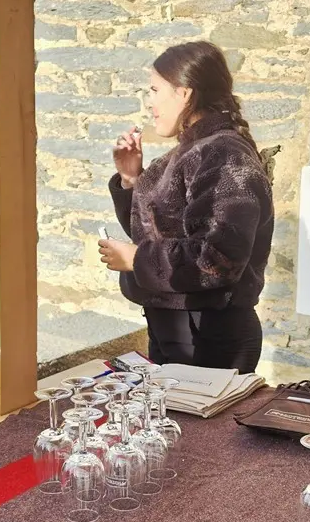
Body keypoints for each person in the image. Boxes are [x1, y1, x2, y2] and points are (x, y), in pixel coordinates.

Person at [99, 41, 274, 372]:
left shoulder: (224, 154)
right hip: (182, 333)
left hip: (209, 338)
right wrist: (130, 179)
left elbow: (218, 260)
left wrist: (135, 258)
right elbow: (158, 233)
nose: (149, 103)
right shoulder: (194, 150)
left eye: (154, 90)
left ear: (184, 92)